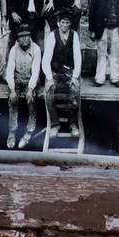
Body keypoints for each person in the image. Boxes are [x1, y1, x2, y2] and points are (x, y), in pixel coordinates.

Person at [43, 8, 84, 144]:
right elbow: (46, 60)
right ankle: (55, 125)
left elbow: (78, 57)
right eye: (62, 22)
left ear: (70, 23)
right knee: (48, 92)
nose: (65, 25)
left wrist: (75, 76)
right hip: (55, 71)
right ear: (59, 23)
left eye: (67, 22)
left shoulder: (74, 35)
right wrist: (49, 78)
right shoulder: (52, 36)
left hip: (68, 72)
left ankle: (73, 125)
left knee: (74, 92)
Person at [5, 26, 43, 149]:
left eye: (27, 35)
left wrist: (31, 89)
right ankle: (12, 131)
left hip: (30, 79)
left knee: (31, 101)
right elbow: (9, 71)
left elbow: (36, 71)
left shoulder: (36, 49)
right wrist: (12, 90)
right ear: (18, 38)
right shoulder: (13, 50)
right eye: (22, 36)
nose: (25, 39)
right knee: (12, 100)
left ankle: (29, 131)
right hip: (17, 79)